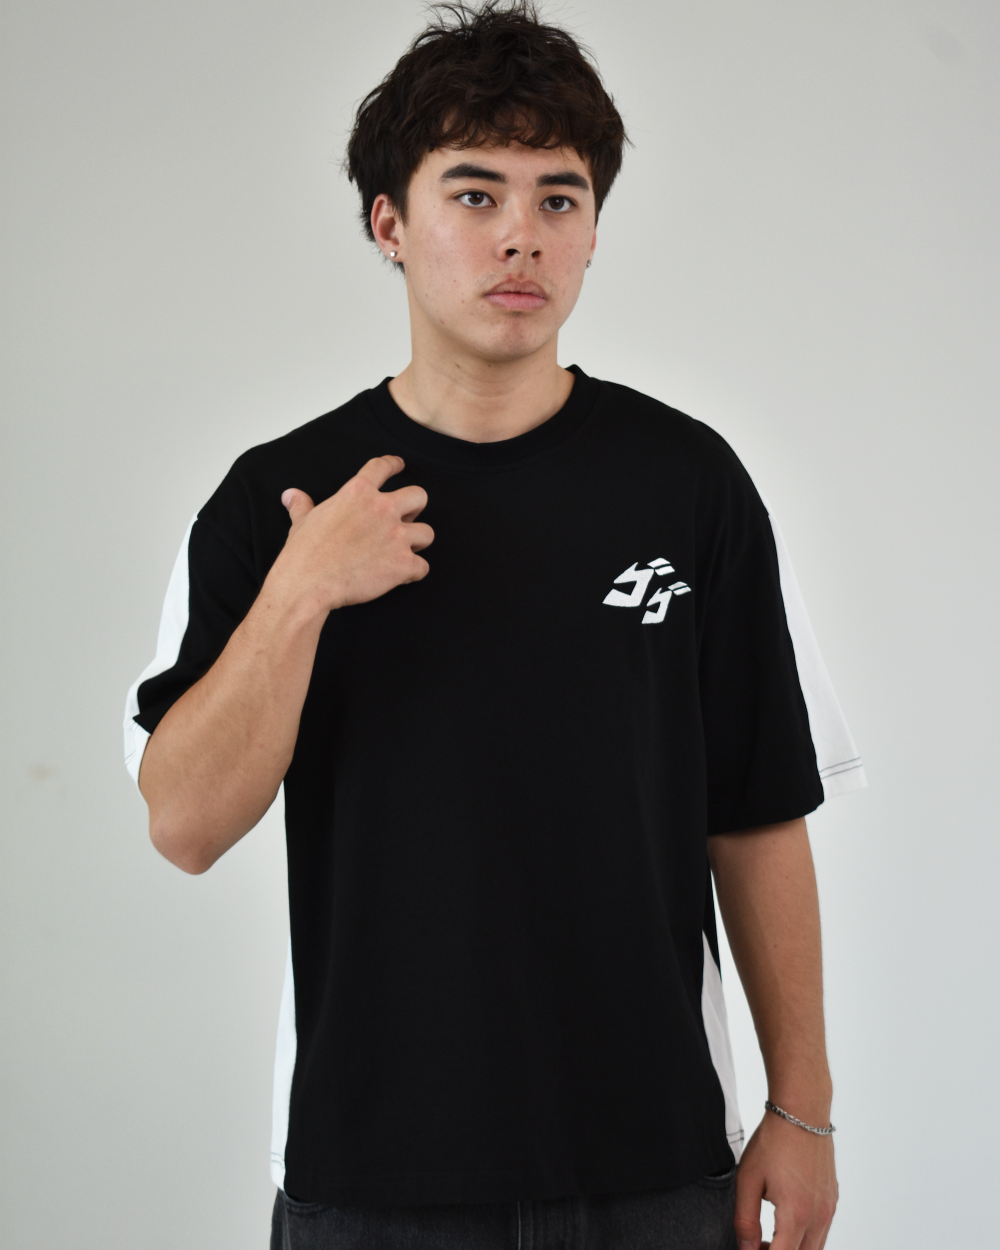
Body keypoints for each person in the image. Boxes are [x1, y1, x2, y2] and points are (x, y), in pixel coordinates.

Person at [123, 4, 865, 1247]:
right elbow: (184, 824)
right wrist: (302, 590)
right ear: (389, 224)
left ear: (592, 232)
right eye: (473, 194)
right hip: (372, 1175)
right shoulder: (276, 498)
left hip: (654, 1163)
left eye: (557, 198)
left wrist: (804, 1109)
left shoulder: (688, 483)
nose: (521, 233)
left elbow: (755, 811)